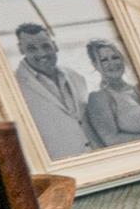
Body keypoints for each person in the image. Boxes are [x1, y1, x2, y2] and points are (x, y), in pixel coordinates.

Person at [8, 18, 99, 155]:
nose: (42, 53)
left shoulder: (76, 76)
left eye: (46, 46)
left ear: (55, 46)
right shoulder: (12, 89)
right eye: (31, 48)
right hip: (60, 166)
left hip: (97, 156)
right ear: (21, 49)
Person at [83, 38, 140, 146]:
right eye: (104, 60)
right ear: (95, 65)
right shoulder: (98, 98)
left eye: (115, 57)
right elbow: (111, 140)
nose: (112, 63)